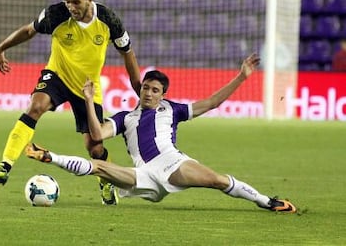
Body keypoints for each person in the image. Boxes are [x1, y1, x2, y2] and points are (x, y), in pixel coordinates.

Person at [25, 54, 297, 213]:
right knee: (99, 166)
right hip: (142, 175)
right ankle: (49, 156)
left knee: (216, 180)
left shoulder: (173, 110)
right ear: (140, 89)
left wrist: (242, 76)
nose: (149, 93)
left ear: (163, 94)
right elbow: (96, 133)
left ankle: (267, 202)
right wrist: (87, 99)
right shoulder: (125, 118)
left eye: (155, 90)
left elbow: (211, 102)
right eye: (145, 88)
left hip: (172, 163)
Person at [0, 0, 141, 206]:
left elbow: (128, 54)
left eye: (76, 2)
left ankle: (105, 181)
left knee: (94, 147)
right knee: (36, 106)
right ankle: (4, 165)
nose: (71, 7)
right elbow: (28, 31)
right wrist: (1, 48)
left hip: (87, 88)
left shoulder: (108, 20)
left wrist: (138, 91)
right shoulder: (55, 14)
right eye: (67, 1)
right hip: (57, 75)